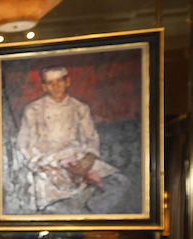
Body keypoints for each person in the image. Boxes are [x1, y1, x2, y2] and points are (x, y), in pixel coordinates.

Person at [16, 66, 130, 214]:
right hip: (48, 163)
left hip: (78, 159)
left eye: (59, 81)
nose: (55, 86)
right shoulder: (33, 109)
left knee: (121, 182)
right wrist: (44, 166)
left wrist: (88, 161)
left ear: (67, 82)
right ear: (44, 86)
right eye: (50, 83)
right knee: (54, 208)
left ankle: (92, 209)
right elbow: (24, 143)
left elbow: (91, 138)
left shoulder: (80, 108)